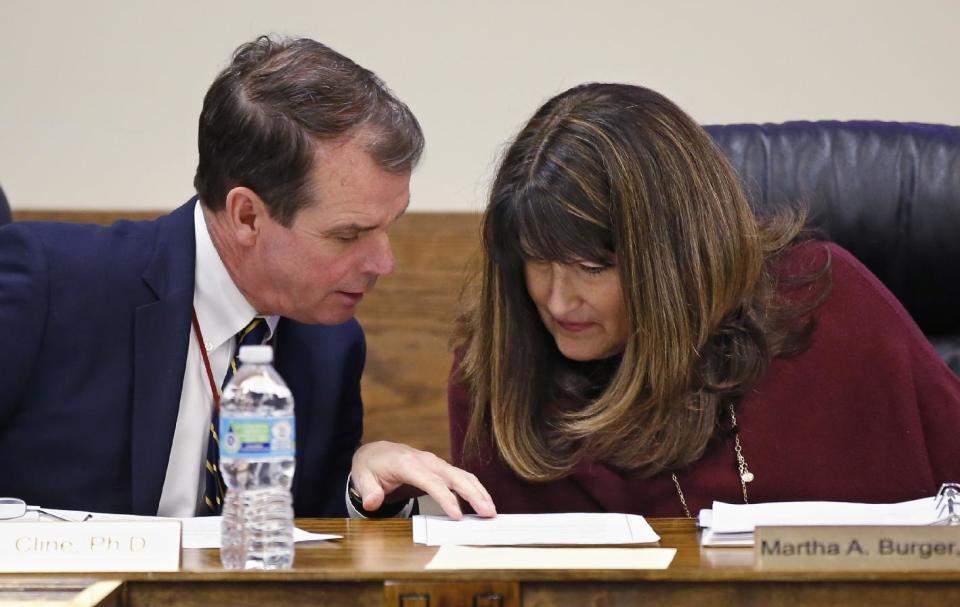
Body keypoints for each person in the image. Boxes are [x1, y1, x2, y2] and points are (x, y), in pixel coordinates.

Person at [0, 35, 494, 520]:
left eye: (391, 225)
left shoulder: (331, 343)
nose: (384, 263)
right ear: (246, 217)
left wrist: (362, 489)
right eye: (349, 234)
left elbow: (303, 536)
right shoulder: (49, 284)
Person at [449, 82, 960, 518]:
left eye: (592, 267)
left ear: (675, 254)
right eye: (538, 260)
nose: (558, 301)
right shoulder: (501, 362)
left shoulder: (820, 300)